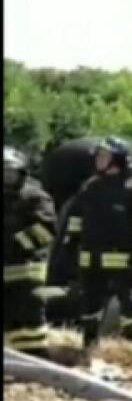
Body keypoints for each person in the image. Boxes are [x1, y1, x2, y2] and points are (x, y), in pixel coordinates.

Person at [62, 137, 132, 348]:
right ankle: (89, 345)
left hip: (122, 258)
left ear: (117, 159)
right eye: (98, 156)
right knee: (90, 304)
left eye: (103, 156)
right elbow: (77, 217)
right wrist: (70, 242)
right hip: (91, 257)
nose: (98, 160)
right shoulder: (91, 186)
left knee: (127, 303)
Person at [4, 147, 58, 355]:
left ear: (22, 172)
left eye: (10, 173)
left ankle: (36, 364)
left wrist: (14, 245)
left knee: (29, 325)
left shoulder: (34, 196)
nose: (6, 179)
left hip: (27, 272)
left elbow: (46, 230)